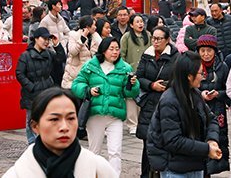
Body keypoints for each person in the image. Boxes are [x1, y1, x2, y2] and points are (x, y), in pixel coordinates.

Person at [4, 88, 116, 178]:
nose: (64, 127)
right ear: (35, 126)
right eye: (54, 119)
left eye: (71, 118)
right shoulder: (17, 174)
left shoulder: (98, 169)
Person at [146, 51, 222, 178]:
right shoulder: (169, 101)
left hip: (195, 164)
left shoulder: (195, 94)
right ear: (189, 76)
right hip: (174, 169)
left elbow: (212, 119)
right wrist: (206, 149)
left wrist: (212, 140)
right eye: (200, 73)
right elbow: (174, 141)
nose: (203, 77)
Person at [71, 37, 140, 176]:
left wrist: (133, 85)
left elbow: (129, 93)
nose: (115, 52)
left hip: (115, 116)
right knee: (94, 151)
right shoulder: (91, 66)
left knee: (115, 152)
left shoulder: (125, 68)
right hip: (95, 115)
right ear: (103, 50)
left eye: (117, 49)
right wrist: (88, 91)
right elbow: (76, 84)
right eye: (111, 49)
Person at [135, 25, 179, 178]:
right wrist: (151, 85)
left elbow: (178, 79)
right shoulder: (147, 54)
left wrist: (167, 86)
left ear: (167, 40)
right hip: (149, 103)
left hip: (168, 103)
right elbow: (139, 76)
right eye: (154, 38)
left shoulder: (175, 57)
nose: (156, 42)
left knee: (166, 142)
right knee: (148, 143)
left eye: (159, 39)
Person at [16, 27, 61, 145]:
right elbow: (20, 73)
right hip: (32, 94)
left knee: (46, 118)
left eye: (48, 39)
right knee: (31, 120)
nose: (46, 42)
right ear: (36, 39)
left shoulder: (49, 54)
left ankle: (44, 142)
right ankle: (32, 144)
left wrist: (57, 45)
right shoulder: (25, 56)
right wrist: (31, 86)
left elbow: (60, 60)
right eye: (44, 39)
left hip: (46, 91)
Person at [195, 35, 230, 175]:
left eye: (209, 50)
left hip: (217, 108)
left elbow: (228, 90)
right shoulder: (194, 66)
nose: (206, 54)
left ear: (215, 51)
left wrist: (218, 94)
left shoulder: (222, 67)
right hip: (198, 107)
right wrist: (200, 94)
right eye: (202, 51)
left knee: (216, 138)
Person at [120, 14, 149, 135]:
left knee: (143, 96)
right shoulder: (126, 37)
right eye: (137, 22)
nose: (140, 24)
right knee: (131, 98)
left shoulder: (148, 35)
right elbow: (122, 55)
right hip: (131, 71)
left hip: (145, 71)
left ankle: (141, 121)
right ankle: (132, 124)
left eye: (141, 21)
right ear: (131, 25)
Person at [62, 16, 100, 89]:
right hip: (73, 76)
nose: (95, 27)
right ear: (87, 27)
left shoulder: (95, 36)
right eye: (94, 25)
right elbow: (73, 52)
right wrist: (82, 39)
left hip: (89, 76)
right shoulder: (74, 35)